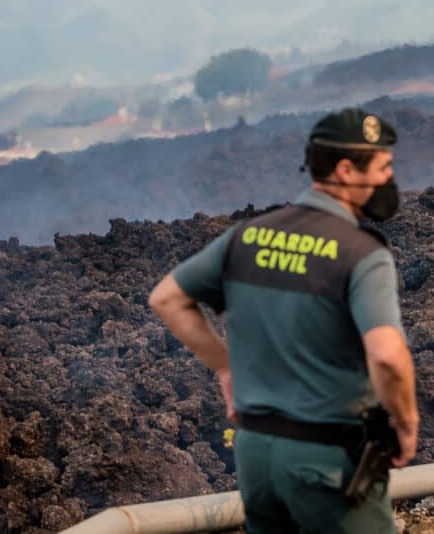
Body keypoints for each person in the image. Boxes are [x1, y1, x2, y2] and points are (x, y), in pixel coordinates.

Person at [149, 107, 418, 533]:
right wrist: (405, 423)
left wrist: (225, 365)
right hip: (327, 462)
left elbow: (167, 298)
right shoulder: (362, 253)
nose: (389, 179)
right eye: (383, 167)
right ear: (346, 171)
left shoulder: (247, 236)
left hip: (255, 457)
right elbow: (386, 355)